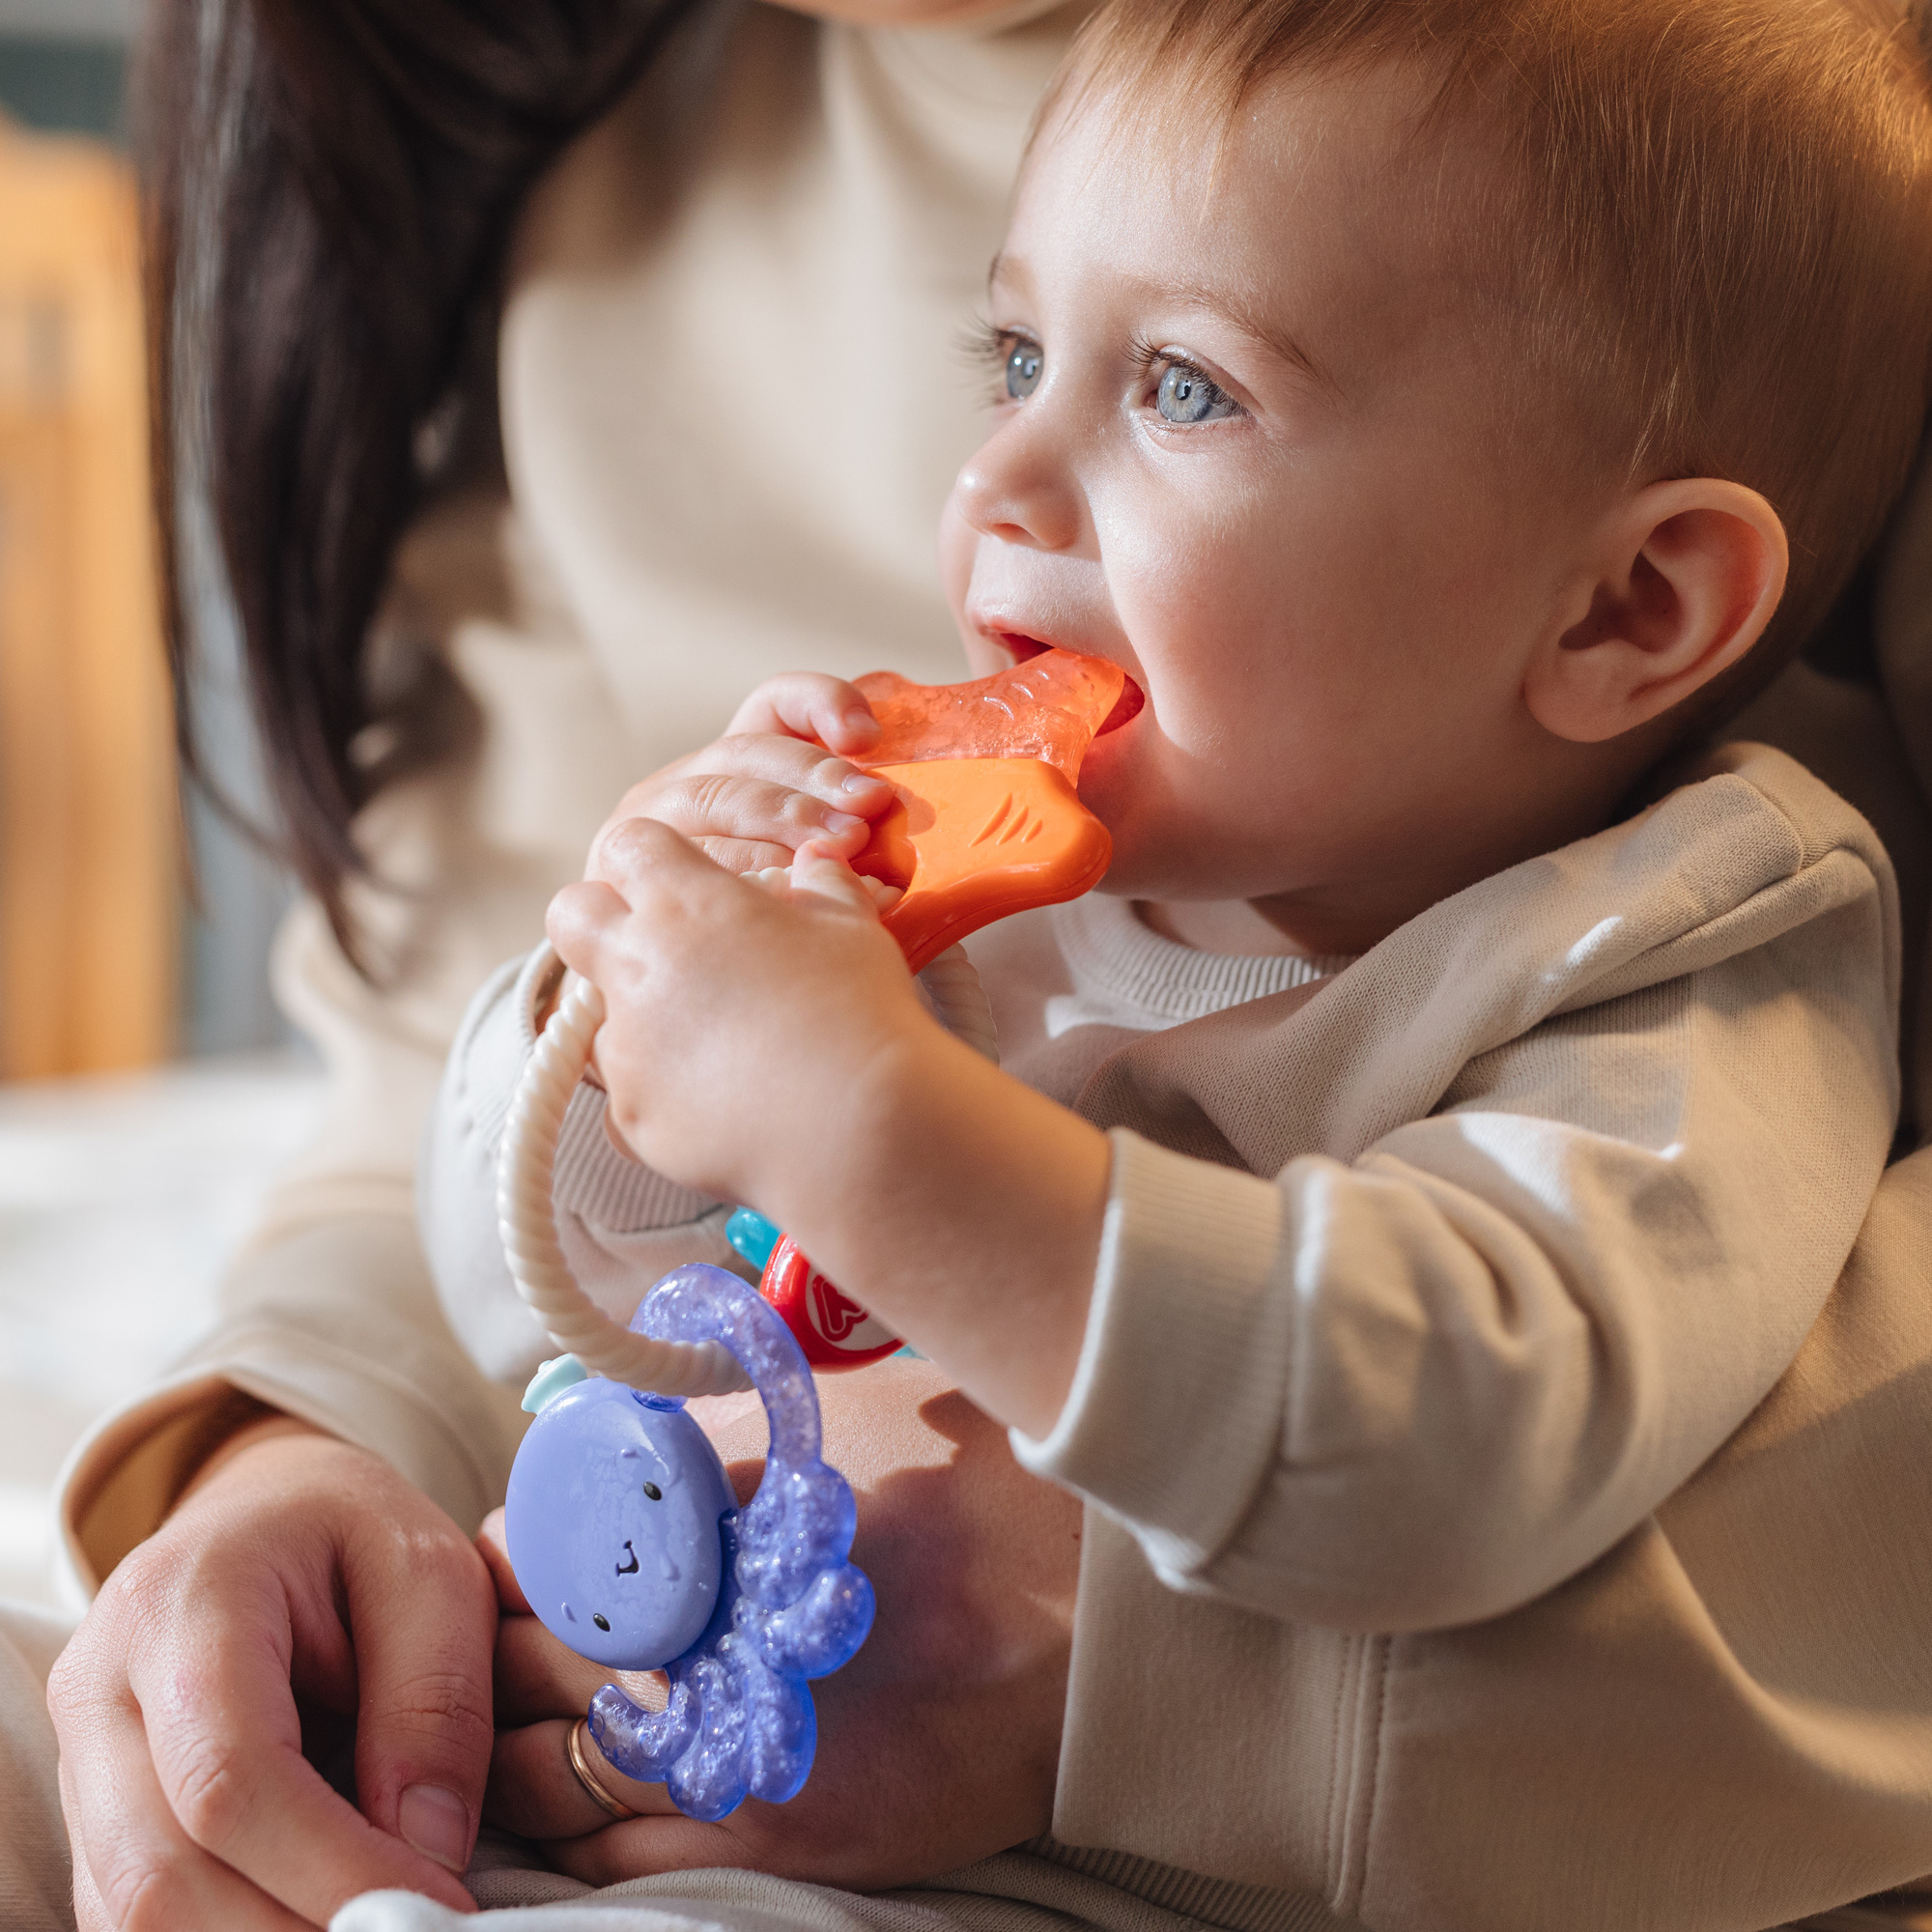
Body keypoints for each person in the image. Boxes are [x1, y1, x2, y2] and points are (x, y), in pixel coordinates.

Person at [13, 7, 1932, 1932]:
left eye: (1182, 390)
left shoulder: (1691, 939)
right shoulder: (1045, 859)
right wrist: (623, 1019)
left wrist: (864, 1123)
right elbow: (574, 1293)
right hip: (634, 1700)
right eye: (1014, 356)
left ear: (1628, 605)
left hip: (1093, 1863)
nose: (999, 480)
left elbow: (1458, 1427)